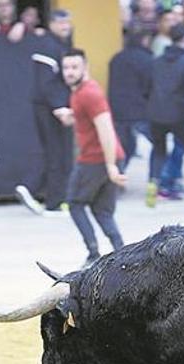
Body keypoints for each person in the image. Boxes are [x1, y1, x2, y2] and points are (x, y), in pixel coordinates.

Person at [61, 48, 127, 267]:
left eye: (74, 67)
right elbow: (87, 119)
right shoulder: (79, 91)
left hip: (96, 160)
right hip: (108, 158)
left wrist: (110, 166)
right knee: (102, 210)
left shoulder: (89, 94)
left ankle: (93, 253)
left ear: (85, 68)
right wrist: (71, 115)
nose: (69, 72)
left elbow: (106, 128)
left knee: (75, 203)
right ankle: (122, 254)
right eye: (66, 67)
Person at [17, 9, 75, 216]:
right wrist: (59, 107)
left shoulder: (61, 45)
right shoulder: (47, 45)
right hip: (48, 108)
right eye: (61, 23)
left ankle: (42, 193)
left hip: (55, 106)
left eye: (68, 23)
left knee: (58, 153)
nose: (65, 27)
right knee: (56, 153)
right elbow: (46, 83)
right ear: (51, 24)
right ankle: (51, 202)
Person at [146, 24, 184, 203]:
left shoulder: (156, 61)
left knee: (158, 150)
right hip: (178, 114)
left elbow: (147, 87)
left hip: (156, 112)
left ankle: (153, 181)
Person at [108, 29, 153, 172]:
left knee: (123, 146)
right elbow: (149, 85)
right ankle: (161, 178)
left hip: (118, 110)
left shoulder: (116, 58)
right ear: (144, 40)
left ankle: (117, 175)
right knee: (158, 144)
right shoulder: (147, 59)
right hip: (140, 109)